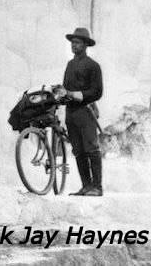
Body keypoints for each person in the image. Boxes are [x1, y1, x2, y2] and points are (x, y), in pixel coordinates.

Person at [57, 27, 104, 196]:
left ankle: (97, 187)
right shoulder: (70, 65)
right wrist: (61, 95)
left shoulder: (93, 66)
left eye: (77, 43)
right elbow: (66, 87)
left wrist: (75, 95)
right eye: (72, 42)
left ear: (85, 45)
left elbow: (97, 92)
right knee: (78, 150)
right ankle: (86, 186)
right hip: (71, 113)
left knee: (91, 148)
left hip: (86, 111)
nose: (73, 45)